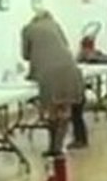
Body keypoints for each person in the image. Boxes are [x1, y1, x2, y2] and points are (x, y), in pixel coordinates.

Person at [21, 9, 87, 155]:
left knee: (52, 111)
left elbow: (25, 55)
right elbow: (65, 45)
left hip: (48, 74)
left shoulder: (28, 29)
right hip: (70, 69)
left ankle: (54, 147)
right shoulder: (55, 25)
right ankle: (57, 147)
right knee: (64, 109)